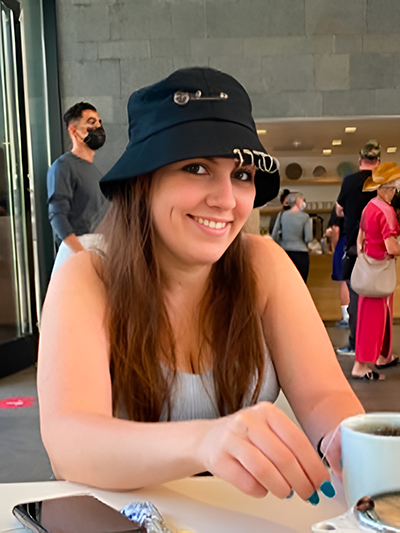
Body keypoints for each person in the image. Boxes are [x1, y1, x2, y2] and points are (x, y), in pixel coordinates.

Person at [38, 67, 364, 503]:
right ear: (143, 180)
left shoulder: (263, 264)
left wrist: (347, 442)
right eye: (196, 167)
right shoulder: (86, 274)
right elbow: (68, 444)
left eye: (242, 174)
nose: (227, 200)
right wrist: (204, 442)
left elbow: (324, 394)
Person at [351, 162, 400, 380]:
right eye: (394, 187)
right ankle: (361, 366)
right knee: (374, 320)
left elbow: (360, 239)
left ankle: (383, 356)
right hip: (380, 273)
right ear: (388, 188)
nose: (395, 192)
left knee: (375, 317)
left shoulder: (369, 207)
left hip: (368, 271)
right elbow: (391, 247)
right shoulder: (387, 212)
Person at [46, 102, 108, 272]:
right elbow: (57, 216)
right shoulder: (63, 167)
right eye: (91, 122)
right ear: (73, 131)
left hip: (98, 254)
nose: (98, 127)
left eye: (99, 122)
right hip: (77, 259)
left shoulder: (95, 172)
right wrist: (82, 255)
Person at [335, 140, 379, 356]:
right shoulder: (384, 183)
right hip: (381, 248)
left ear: (360, 160)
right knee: (380, 300)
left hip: (355, 247)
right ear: (378, 161)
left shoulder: (351, 181)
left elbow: (340, 209)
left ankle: (356, 345)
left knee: (356, 297)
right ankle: (379, 348)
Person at [271, 191, 312, 282]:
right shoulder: (305, 217)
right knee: (300, 283)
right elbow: (308, 238)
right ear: (298, 201)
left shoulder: (281, 215)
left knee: (285, 282)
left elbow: (274, 235)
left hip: (284, 252)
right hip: (301, 253)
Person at [325, 208, 349, 328]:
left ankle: (346, 316)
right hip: (356, 245)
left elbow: (335, 229)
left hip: (343, 244)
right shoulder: (362, 204)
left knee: (343, 281)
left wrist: (335, 248)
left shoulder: (339, 208)